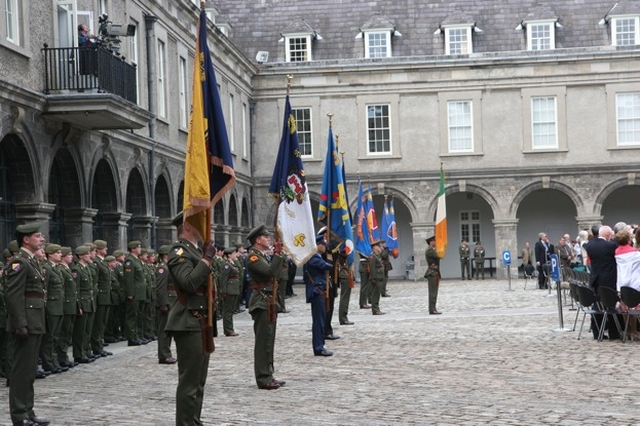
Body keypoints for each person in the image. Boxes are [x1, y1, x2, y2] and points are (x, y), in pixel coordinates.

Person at [164, 212, 216, 425]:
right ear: (186, 225)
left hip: (200, 321)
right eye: (199, 220)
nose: (204, 224)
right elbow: (188, 283)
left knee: (199, 381)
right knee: (189, 382)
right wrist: (206, 260)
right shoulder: (179, 251)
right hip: (188, 321)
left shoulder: (194, 250)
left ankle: (194, 420)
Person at [5, 222, 50, 426]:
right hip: (26, 323)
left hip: (35, 321)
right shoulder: (19, 262)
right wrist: (20, 323)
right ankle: (19, 415)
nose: (42, 239)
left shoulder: (31, 261)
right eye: (38, 236)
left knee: (30, 371)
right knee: (21, 372)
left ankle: (28, 411)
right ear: (26, 239)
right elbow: (13, 296)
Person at [246, 224, 286, 390]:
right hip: (261, 302)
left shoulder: (261, 255)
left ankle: (269, 374)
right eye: (266, 237)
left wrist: (278, 255)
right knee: (263, 342)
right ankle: (263, 377)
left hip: (268, 301)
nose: (269, 239)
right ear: (258, 240)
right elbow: (270, 272)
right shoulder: (253, 257)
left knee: (269, 340)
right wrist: (277, 254)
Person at [584, 225, 620, 340]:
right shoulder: (611, 246)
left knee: (597, 306)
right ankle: (613, 333)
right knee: (611, 306)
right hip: (609, 280)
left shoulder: (589, 246)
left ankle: (597, 332)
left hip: (596, 279)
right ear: (608, 235)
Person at [303, 235, 334, 356]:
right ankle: (318, 347)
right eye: (323, 244)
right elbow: (328, 267)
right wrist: (330, 256)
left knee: (321, 319)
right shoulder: (313, 258)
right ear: (317, 245)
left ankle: (320, 344)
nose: (325, 247)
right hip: (317, 292)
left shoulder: (317, 256)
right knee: (318, 321)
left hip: (319, 291)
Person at [155, 245, 176, 364]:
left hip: (171, 301)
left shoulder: (168, 267)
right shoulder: (162, 269)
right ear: (165, 255)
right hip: (166, 302)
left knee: (168, 330)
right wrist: (163, 303)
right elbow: (160, 288)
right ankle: (163, 355)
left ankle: (166, 353)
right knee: (164, 330)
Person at [219, 247, 241, 337]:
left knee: (230, 310)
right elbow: (223, 279)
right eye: (233, 254)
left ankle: (230, 328)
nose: (235, 255)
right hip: (229, 289)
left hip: (233, 289)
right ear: (229, 255)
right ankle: (228, 330)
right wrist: (223, 291)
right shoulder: (226, 265)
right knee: (227, 311)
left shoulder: (232, 263)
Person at [337, 247, 354, 325]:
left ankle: (343, 317)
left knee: (346, 297)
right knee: (345, 298)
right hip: (345, 274)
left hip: (346, 274)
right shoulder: (342, 254)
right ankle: (343, 318)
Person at [424, 236, 441, 314]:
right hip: (432, 272)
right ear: (431, 242)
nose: (435, 242)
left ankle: (433, 308)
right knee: (432, 292)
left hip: (435, 272)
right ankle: (432, 309)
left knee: (434, 292)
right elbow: (439, 255)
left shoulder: (432, 250)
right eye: (434, 241)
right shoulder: (430, 251)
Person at [368, 240, 385, 315]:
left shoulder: (377, 255)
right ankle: (375, 309)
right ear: (375, 247)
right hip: (376, 277)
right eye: (379, 246)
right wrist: (373, 278)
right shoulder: (373, 256)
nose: (380, 247)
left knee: (377, 294)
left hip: (379, 276)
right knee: (375, 294)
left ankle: (376, 308)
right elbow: (372, 268)